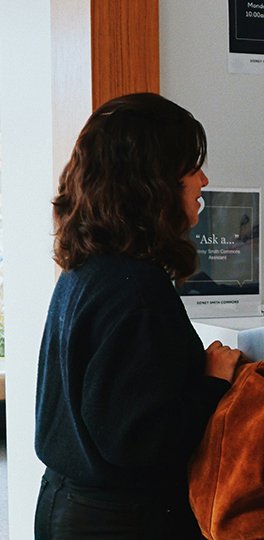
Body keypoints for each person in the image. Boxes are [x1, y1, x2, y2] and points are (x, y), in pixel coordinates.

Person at [34, 93, 243, 539]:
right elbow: (138, 442)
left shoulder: (86, 271)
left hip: (63, 504)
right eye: (190, 166)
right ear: (153, 180)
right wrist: (213, 382)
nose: (203, 180)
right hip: (121, 521)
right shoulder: (137, 289)